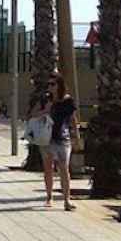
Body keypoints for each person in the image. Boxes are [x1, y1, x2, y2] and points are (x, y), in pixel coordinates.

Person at [43, 75, 77, 211]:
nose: (50, 87)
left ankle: (66, 200)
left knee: (64, 169)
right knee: (48, 168)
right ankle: (49, 196)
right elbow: (33, 114)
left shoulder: (68, 100)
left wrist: (77, 135)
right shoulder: (46, 99)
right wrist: (46, 109)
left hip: (63, 137)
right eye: (49, 84)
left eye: (53, 84)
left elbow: (73, 118)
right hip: (47, 138)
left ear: (59, 85)